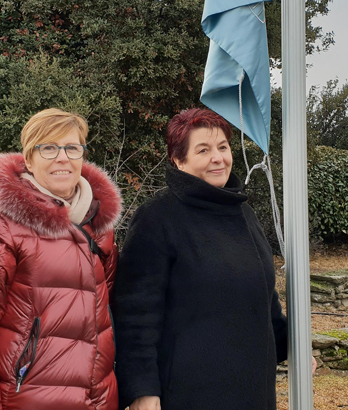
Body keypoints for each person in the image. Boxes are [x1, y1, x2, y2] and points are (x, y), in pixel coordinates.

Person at [112, 108, 287, 410]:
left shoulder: (243, 212)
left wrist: (291, 344)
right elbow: (136, 313)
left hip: (253, 387)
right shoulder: (158, 217)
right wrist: (143, 388)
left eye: (223, 147)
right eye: (203, 150)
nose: (218, 158)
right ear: (179, 161)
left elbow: (263, 293)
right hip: (188, 390)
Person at [0, 108, 122, 410]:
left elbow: (107, 318)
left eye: (72, 147)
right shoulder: (0, 228)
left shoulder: (100, 228)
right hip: (26, 400)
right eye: (49, 147)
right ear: (29, 160)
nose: (62, 157)